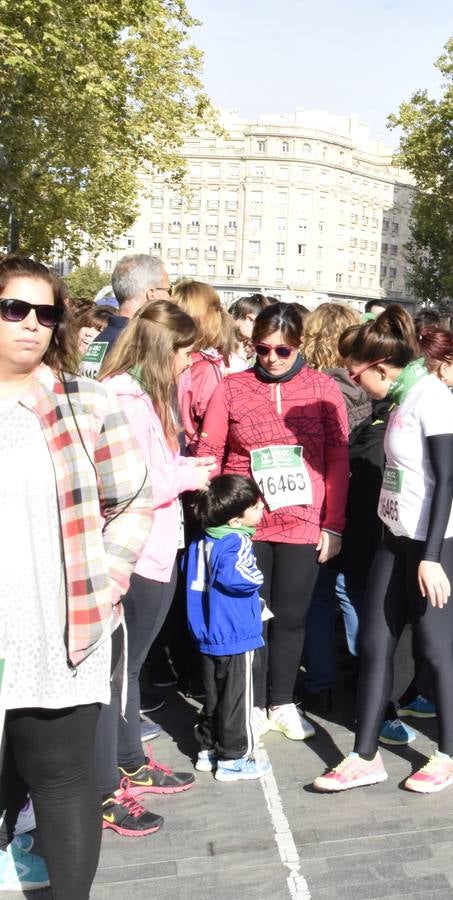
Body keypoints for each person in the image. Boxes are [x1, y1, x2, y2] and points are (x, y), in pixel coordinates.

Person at [0, 256, 152, 897]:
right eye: (15, 309)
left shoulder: (85, 401)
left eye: (47, 312)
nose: (32, 324)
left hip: (58, 627)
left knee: (62, 781)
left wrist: (108, 578)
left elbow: (132, 500)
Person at [313, 308, 453, 793]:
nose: (354, 383)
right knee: (376, 644)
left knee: (435, 645)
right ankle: (364, 756)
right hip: (394, 537)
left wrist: (429, 557)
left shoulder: (432, 399)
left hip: (437, 543)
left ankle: (450, 755)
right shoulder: (401, 400)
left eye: (356, 374)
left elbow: (446, 479)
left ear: (381, 366)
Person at [195, 302, 349, 741]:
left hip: (303, 520)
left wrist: (333, 524)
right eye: (262, 349)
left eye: (283, 351)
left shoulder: (322, 388)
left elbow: (338, 459)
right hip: (246, 524)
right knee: (252, 616)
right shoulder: (232, 387)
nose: (272, 359)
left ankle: (283, 700)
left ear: (298, 345)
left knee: (291, 617)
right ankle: (255, 700)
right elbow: (213, 454)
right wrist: (219, 516)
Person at [97, 300, 212, 834]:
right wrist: (188, 476)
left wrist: (183, 468)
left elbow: (154, 468)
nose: (190, 364)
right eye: (185, 354)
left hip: (157, 544)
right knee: (119, 671)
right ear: (163, 350)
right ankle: (106, 779)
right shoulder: (124, 399)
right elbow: (133, 485)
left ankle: (127, 759)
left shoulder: (144, 396)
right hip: (136, 551)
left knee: (132, 666)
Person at [297, 302, 365, 714]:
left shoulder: (312, 387)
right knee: (352, 591)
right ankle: (364, 675)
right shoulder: (365, 389)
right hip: (360, 501)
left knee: (321, 596)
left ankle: (319, 682)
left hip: (320, 501)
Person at [185, 475, 272, 781]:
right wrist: (257, 578)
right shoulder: (236, 541)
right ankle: (235, 757)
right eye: (256, 506)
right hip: (236, 634)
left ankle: (207, 750)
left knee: (213, 697)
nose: (262, 509)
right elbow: (238, 577)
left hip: (207, 632)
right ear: (236, 520)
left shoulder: (200, 540)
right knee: (239, 699)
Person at [79, 254, 170, 379]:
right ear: (151, 294)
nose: (170, 298)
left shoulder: (103, 338)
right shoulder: (137, 343)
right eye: (168, 290)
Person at [174, 280, 232, 450]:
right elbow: (214, 425)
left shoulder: (165, 356)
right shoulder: (206, 368)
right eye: (216, 308)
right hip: (194, 457)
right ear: (205, 318)